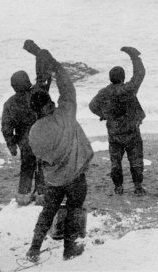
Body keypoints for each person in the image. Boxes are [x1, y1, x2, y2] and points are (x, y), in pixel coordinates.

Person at [26, 43, 93, 262]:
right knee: (74, 209)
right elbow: (68, 89)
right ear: (49, 103)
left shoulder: (34, 132)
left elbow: (41, 158)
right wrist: (55, 66)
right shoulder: (65, 113)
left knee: (48, 211)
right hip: (74, 176)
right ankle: (69, 248)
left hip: (53, 179)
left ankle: (34, 248)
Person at [89, 46, 147, 196]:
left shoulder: (104, 92)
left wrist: (103, 114)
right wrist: (135, 58)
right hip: (132, 132)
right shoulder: (128, 89)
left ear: (110, 78)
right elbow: (139, 75)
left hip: (114, 133)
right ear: (122, 77)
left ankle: (118, 187)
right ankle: (138, 187)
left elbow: (92, 106)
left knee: (115, 163)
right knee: (136, 161)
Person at [1, 70, 46, 205]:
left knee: (26, 167)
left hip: (24, 141)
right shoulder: (38, 95)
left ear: (14, 86)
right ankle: (42, 194)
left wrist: (11, 144)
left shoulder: (10, 103)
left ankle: (23, 195)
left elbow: (6, 126)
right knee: (43, 165)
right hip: (43, 136)